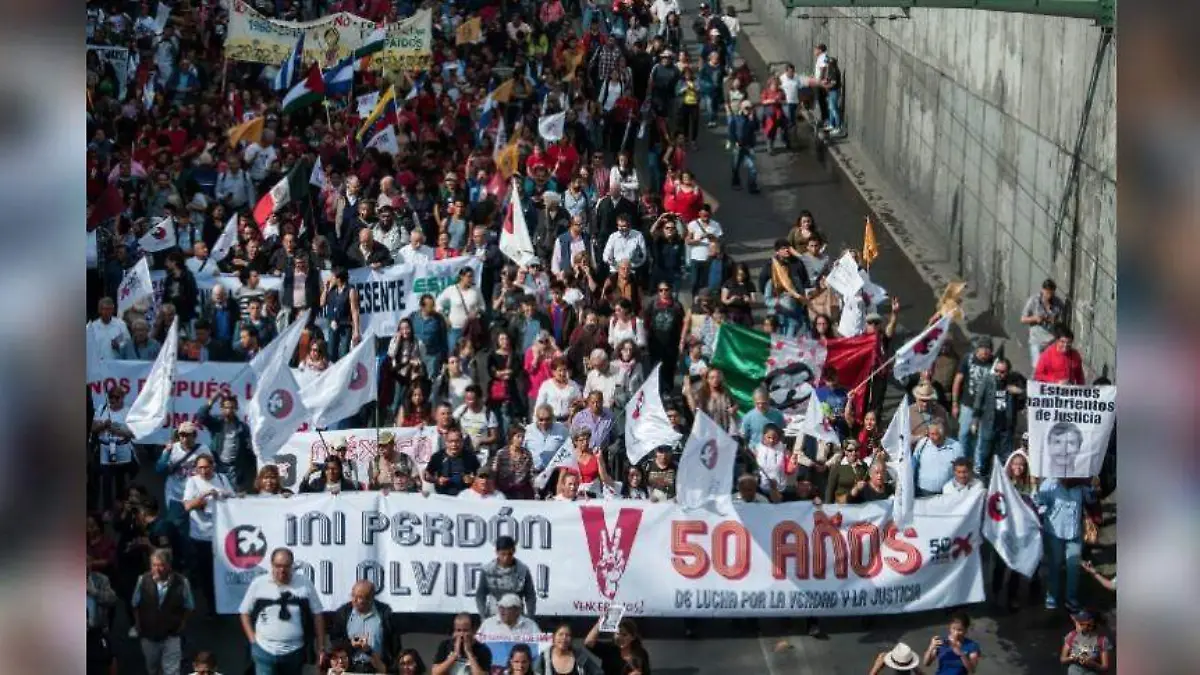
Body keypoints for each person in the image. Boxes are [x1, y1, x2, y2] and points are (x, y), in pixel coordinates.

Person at [239, 547, 326, 675]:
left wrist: (321, 647)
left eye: (286, 566)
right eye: (278, 565)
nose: (282, 570)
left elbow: (317, 615)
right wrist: (253, 640)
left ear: (292, 565)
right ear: (272, 565)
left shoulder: (304, 583)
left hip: (294, 652)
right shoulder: (259, 583)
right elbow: (244, 612)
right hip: (264, 650)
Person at [181, 455, 234, 614]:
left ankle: (223, 603)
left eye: (206, 467)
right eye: (200, 468)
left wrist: (224, 496)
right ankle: (212, 606)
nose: (203, 471)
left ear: (213, 466)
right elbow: (187, 505)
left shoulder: (222, 479)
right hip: (201, 536)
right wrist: (203, 498)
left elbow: (234, 499)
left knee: (223, 570)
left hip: (221, 535)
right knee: (207, 574)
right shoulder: (193, 482)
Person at [132, 549, 194, 675]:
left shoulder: (182, 582)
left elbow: (189, 606)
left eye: (161, 565)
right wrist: (138, 624)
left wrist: (182, 623)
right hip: (149, 634)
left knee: (171, 671)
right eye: (154, 565)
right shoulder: (143, 580)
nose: (157, 569)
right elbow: (135, 604)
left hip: (171, 634)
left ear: (169, 565)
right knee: (152, 667)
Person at [327, 580, 404, 673]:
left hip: (376, 668)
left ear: (370, 599)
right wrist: (350, 644)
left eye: (359, 597)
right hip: (351, 668)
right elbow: (335, 641)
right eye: (353, 595)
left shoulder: (385, 614)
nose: (354, 600)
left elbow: (395, 645)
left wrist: (390, 667)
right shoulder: (343, 613)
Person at [195, 392, 253, 491]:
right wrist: (212, 400)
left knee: (233, 498)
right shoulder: (216, 423)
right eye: (226, 407)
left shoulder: (243, 427)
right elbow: (200, 416)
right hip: (217, 467)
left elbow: (248, 452)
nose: (229, 410)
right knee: (216, 494)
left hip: (234, 469)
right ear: (221, 409)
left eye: (232, 408)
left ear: (236, 409)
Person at [476, 535, 539, 618]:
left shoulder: (523, 570)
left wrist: (530, 616)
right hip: (493, 615)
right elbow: (480, 595)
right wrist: (483, 616)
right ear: (497, 552)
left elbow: (530, 596)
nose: (506, 558)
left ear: (514, 551)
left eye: (509, 554)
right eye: (503, 554)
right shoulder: (487, 570)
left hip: (517, 616)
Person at [912, 422, 965, 497]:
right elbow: (913, 465)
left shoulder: (956, 447)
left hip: (946, 494)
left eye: (935, 434)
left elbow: (962, 470)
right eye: (930, 434)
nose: (932, 437)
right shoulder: (922, 443)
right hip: (922, 492)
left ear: (943, 434)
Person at [584, 616, 651, 675]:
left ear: (633, 637)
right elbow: (588, 642)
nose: (620, 638)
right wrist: (600, 623)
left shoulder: (641, 653)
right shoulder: (609, 649)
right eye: (618, 634)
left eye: (624, 635)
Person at [425, 428, 480, 497]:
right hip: (443, 496)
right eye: (451, 441)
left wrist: (472, 479)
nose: (454, 444)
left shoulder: (470, 456)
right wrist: (437, 480)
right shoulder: (438, 456)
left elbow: (480, 476)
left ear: (462, 442)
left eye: (457, 441)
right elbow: (427, 475)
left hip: (465, 497)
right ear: (446, 442)